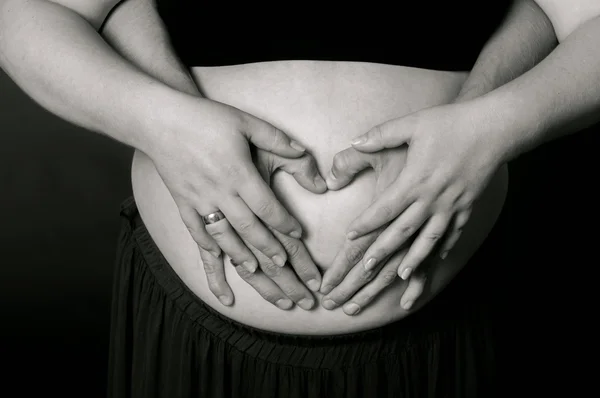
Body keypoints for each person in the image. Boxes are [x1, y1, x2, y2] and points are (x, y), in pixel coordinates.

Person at [0, 0, 586, 396]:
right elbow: (28, 14)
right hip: (201, 341)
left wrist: (490, 127)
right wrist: (164, 125)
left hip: (447, 321)